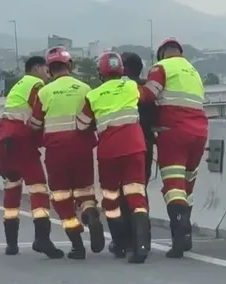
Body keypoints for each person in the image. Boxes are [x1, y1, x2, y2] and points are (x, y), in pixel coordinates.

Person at [30, 47, 105, 260]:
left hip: (56, 152)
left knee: (61, 198)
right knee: (85, 192)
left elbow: (35, 124)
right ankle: (90, 214)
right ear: (69, 65)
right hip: (82, 149)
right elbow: (93, 117)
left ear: (49, 69)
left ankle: (77, 246)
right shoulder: (84, 88)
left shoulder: (44, 92)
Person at [76, 52, 150, 264]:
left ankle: (120, 243)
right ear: (121, 70)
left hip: (109, 152)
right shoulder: (130, 87)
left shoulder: (93, 95)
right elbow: (146, 96)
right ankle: (141, 247)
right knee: (137, 196)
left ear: (100, 73)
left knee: (111, 199)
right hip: (135, 147)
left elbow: (81, 125)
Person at [138, 37, 208, 258]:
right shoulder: (193, 71)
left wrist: (128, 87)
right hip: (199, 132)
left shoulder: (161, 67)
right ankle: (185, 230)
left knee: (173, 186)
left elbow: (148, 95)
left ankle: (180, 235)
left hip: (173, 132)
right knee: (187, 184)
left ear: (162, 54)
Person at [0, 56, 64, 259]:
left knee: (12, 188)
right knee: (39, 189)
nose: (47, 72)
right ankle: (42, 239)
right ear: (36, 68)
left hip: (4, 141)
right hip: (21, 140)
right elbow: (38, 114)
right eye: (45, 68)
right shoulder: (36, 84)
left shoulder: (19, 85)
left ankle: (11, 244)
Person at [108, 52, 155, 254]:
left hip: (117, 148)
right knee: (138, 193)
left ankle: (122, 241)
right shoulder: (145, 92)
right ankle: (142, 241)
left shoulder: (116, 91)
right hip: (144, 146)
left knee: (116, 195)